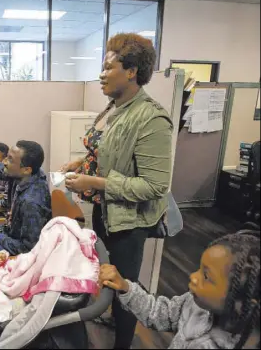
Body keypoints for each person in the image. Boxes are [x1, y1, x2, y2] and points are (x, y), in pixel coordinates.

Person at [61, 33, 173, 349]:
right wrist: (81, 162)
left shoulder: (151, 118)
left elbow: (155, 186)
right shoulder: (116, 107)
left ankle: (123, 342)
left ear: (132, 70)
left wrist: (95, 183)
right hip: (105, 211)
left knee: (125, 286)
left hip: (128, 224)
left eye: (109, 67)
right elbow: (110, 153)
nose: (101, 74)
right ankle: (112, 316)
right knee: (106, 273)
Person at [99, 231, 260, 349]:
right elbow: (159, 312)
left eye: (206, 276)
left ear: (242, 304)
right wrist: (126, 288)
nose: (193, 276)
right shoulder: (193, 304)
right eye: (199, 268)